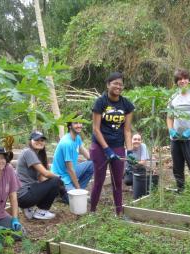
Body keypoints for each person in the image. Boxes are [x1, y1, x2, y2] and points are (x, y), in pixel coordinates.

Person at [90, 72, 135, 215]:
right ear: (108, 85)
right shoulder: (101, 102)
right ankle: (92, 211)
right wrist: (106, 149)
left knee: (117, 182)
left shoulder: (126, 104)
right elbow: (96, 129)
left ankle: (119, 213)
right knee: (99, 180)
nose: (118, 86)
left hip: (118, 146)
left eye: (121, 84)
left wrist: (130, 150)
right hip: (100, 147)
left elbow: (127, 130)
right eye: (115, 83)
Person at [166, 68, 190, 197]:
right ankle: (180, 191)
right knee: (177, 167)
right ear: (176, 82)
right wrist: (171, 130)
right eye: (179, 79)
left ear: (189, 80)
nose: (182, 81)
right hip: (176, 139)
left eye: (185, 78)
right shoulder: (173, 97)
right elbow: (169, 117)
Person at [16, 131, 63, 220]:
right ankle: (42, 211)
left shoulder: (36, 155)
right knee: (56, 180)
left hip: (25, 195)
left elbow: (41, 178)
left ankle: (28, 208)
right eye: (36, 139)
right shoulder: (28, 152)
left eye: (42, 140)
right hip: (24, 195)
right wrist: (58, 179)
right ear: (30, 141)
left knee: (54, 182)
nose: (40, 142)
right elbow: (45, 173)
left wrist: (55, 187)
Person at [51, 121, 93, 198]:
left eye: (80, 123)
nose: (79, 125)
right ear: (70, 126)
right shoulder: (67, 143)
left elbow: (87, 155)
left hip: (71, 171)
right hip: (61, 177)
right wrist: (79, 190)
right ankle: (66, 192)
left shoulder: (77, 138)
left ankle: (77, 190)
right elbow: (70, 170)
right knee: (73, 199)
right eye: (76, 123)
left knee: (92, 164)